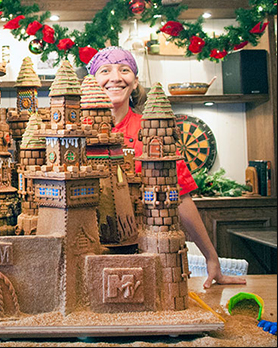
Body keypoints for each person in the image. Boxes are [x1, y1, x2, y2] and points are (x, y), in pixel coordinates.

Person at [88, 46, 246, 289]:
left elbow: (180, 197)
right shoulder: (74, 135)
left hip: (144, 250)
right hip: (89, 251)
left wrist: (211, 258)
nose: (116, 77)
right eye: (105, 71)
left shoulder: (152, 130)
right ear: (90, 81)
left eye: (124, 70)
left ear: (135, 81)